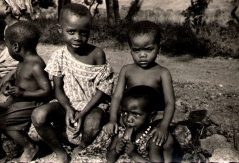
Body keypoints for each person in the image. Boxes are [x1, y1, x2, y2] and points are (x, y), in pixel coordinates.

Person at [31, 3, 114, 163]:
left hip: (92, 105)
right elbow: (58, 89)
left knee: (93, 124)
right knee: (38, 115)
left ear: (89, 31)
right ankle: (59, 151)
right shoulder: (59, 56)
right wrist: (68, 109)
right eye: (71, 32)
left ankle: (81, 147)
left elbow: (102, 89)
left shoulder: (97, 54)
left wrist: (83, 113)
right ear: (59, 29)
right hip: (66, 103)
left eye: (83, 33)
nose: (77, 37)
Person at [0, 21, 52, 163]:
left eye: (7, 47)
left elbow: (47, 91)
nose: (7, 51)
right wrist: (9, 82)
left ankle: (30, 147)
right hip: (19, 100)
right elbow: (20, 76)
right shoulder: (23, 60)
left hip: (31, 102)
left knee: (3, 121)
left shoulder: (36, 65)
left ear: (16, 47)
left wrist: (23, 93)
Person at [104, 20, 175, 148]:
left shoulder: (162, 73)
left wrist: (164, 126)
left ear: (159, 48)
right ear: (130, 50)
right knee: (112, 140)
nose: (142, 55)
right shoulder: (127, 70)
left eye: (148, 49)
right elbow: (117, 97)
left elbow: (170, 103)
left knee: (167, 143)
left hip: (154, 118)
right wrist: (113, 119)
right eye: (136, 50)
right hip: (130, 116)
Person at [0, 0, 33, 134]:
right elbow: (8, 54)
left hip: (17, 67)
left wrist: (9, 74)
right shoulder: (8, 27)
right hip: (11, 64)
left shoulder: (20, 29)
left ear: (7, 8)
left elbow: (28, 58)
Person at [106, 86, 175, 162]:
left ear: (151, 116)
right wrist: (115, 151)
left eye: (135, 114)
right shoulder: (121, 133)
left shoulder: (152, 139)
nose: (128, 119)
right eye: (125, 112)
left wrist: (134, 155)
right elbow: (109, 159)